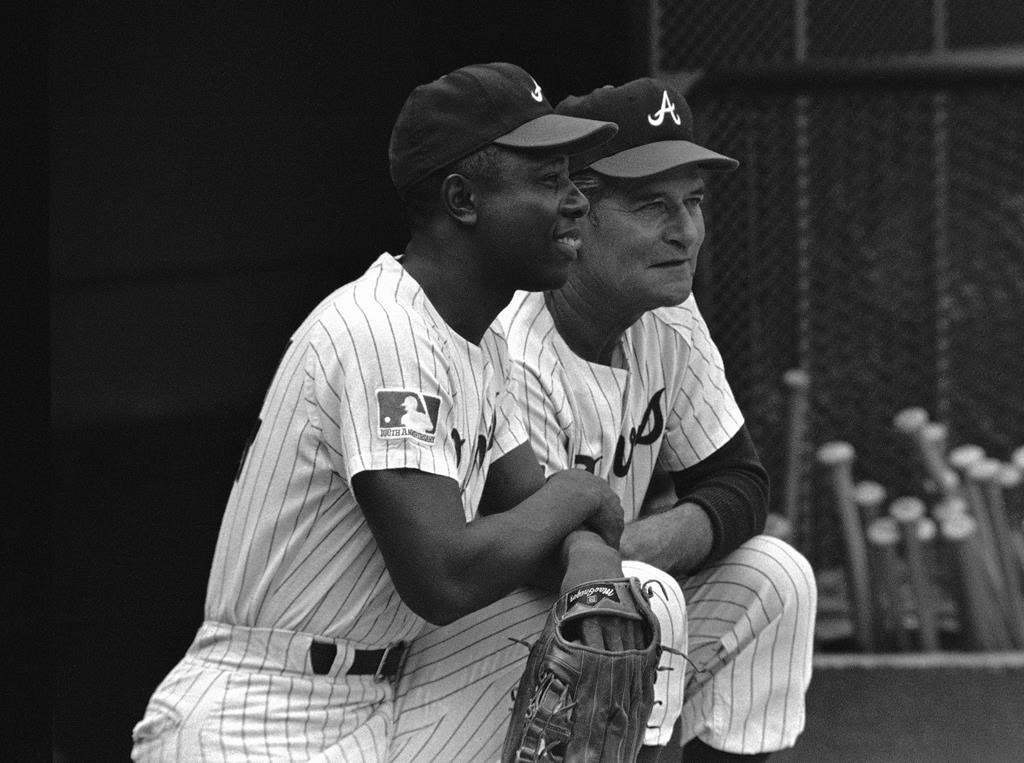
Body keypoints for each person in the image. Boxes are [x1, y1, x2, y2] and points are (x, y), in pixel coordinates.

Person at [130, 61, 630, 762]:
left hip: (368, 710)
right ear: (463, 198)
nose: (577, 201)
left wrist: (586, 550)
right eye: (549, 180)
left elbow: (533, 515)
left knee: (642, 603)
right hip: (257, 713)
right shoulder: (382, 329)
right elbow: (445, 575)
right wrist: (582, 493)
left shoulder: (479, 345)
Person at [388, 78, 817, 762]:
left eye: (695, 202)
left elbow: (740, 485)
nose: (685, 231)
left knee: (774, 577)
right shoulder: (513, 338)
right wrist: (623, 566)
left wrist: (625, 551)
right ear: (576, 212)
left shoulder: (666, 309)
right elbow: (538, 555)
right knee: (645, 598)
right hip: (450, 658)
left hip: (561, 617)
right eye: (653, 205)